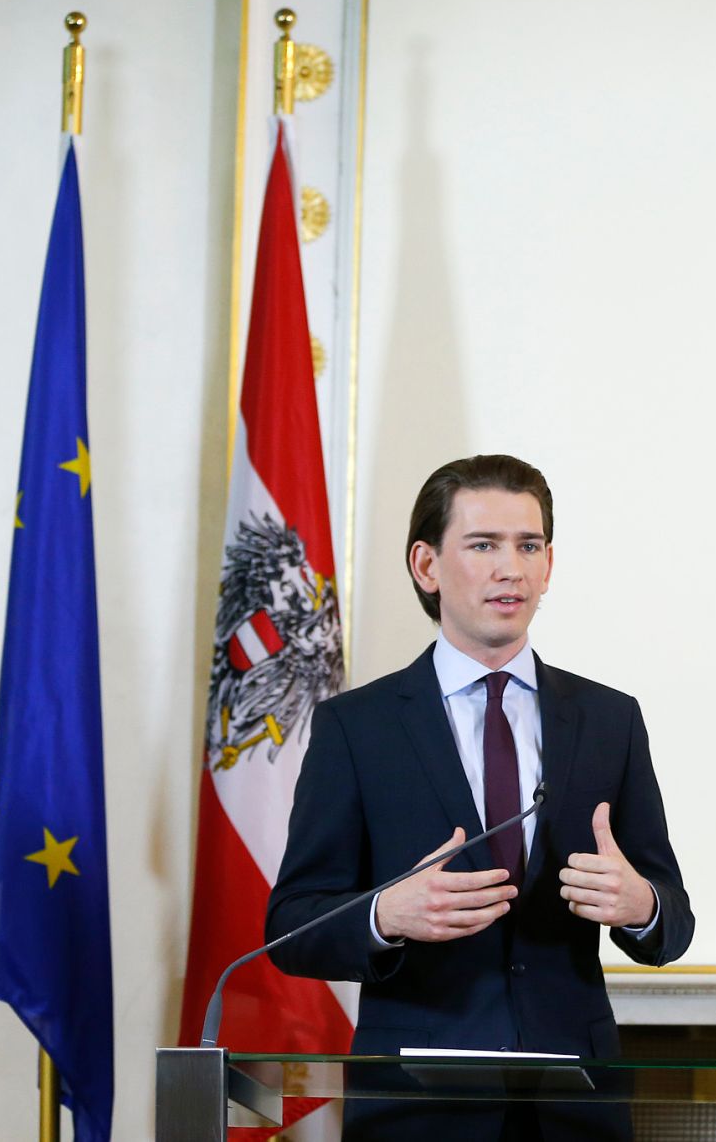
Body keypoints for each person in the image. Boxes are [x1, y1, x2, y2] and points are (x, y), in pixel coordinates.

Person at [267, 454, 693, 1141]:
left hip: (572, 1106)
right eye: (484, 545)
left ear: (549, 566)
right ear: (426, 566)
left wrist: (641, 905)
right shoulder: (358, 727)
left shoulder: (609, 720)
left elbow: (673, 919)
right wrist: (386, 914)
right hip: (417, 1109)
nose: (511, 569)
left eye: (529, 546)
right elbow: (291, 928)